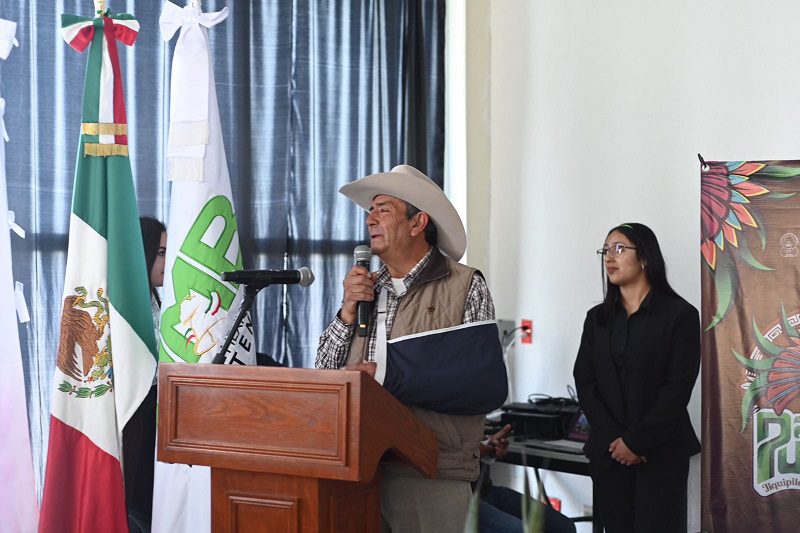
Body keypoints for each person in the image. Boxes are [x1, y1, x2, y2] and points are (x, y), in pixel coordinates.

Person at [316, 164, 505, 533]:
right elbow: (324, 373)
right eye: (371, 210)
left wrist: (385, 375)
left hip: (433, 470)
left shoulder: (465, 285)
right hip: (358, 468)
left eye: (384, 209)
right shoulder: (364, 288)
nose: (371, 218)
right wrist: (346, 312)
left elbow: (483, 384)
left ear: (418, 223)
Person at [572, 223, 700, 533]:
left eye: (619, 248)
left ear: (644, 258)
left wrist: (635, 441)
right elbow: (585, 381)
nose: (609, 258)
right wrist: (617, 441)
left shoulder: (680, 315)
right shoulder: (597, 319)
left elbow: (677, 388)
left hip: (661, 455)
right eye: (606, 250)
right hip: (609, 452)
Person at [122, 216, 166, 533]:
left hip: (156, 407)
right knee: (132, 498)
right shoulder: (124, 303)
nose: (168, 258)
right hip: (133, 410)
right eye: (162, 251)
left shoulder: (156, 297)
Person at [477, 425, 576, 533]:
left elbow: (472, 442)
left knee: (564, 527)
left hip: (485, 489)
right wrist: (475, 451)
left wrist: (490, 445)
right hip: (463, 499)